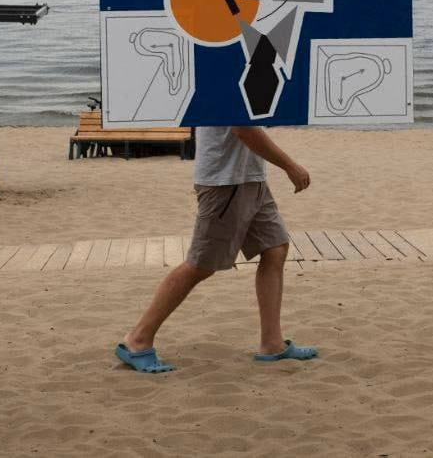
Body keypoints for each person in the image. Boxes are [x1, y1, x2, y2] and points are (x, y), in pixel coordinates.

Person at [115, 126, 319, 373]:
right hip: (225, 183)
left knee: (275, 248)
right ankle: (137, 339)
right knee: (200, 265)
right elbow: (243, 129)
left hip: (251, 178)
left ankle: (272, 343)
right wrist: (290, 166)